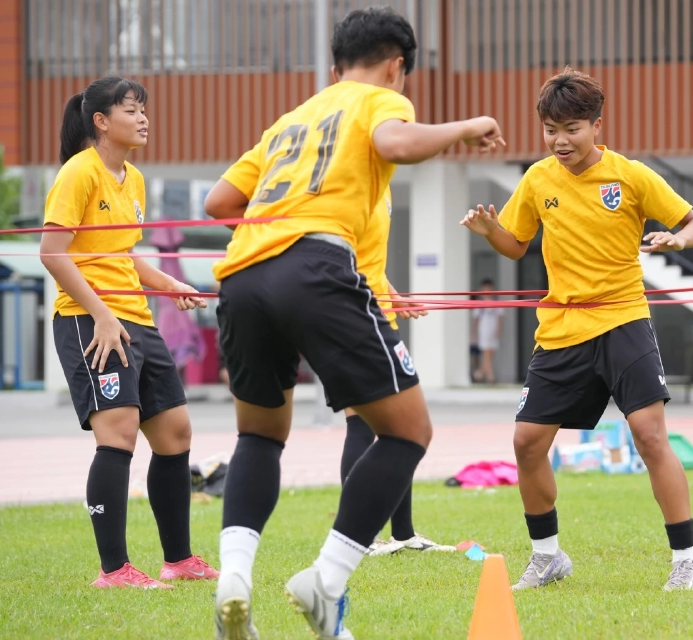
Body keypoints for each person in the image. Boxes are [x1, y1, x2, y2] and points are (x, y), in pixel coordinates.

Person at [203, 7, 504, 639]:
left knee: (258, 438)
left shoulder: (292, 119)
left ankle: (234, 575)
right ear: (397, 65)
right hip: (317, 268)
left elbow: (219, 202)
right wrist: (470, 124)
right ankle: (326, 580)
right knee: (407, 432)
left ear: (335, 63)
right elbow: (396, 144)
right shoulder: (375, 101)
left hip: (242, 274)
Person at [461, 67, 693, 591]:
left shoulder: (631, 176)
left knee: (649, 435)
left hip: (623, 320)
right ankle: (548, 556)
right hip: (562, 328)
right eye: (551, 128)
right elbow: (515, 243)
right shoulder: (536, 180)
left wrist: (677, 241)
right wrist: (490, 231)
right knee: (527, 442)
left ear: (598, 125)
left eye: (572, 127)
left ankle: (685, 560)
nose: (560, 140)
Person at [40, 76, 218, 589]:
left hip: (135, 319)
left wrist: (170, 282)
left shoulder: (133, 179)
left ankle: (178, 560)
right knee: (118, 433)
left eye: (143, 110)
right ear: (101, 121)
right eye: (131, 110)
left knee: (175, 432)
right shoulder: (79, 173)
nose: (143, 119)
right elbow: (53, 254)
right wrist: (100, 314)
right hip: (88, 320)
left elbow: (123, 254)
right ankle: (113, 570)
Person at [343, 188, 456, 557]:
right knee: (361, 423)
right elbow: (339, 256)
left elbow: (368, 260)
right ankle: (361, 538)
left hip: (379, 315)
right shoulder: (350, 179)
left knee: (401, 427)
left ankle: (403, 534)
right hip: (354, 317)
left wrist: (393, 294)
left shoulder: (383, 182)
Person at [471, 278, 504, 384]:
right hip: (483, 330)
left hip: (493, 330)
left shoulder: (496, 303)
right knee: (486, 353)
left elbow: (500, 318)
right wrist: (474, 333)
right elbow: (476, 319)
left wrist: (498, 330)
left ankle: (479, 374)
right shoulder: (479, 304)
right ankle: (490, 377)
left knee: (491, 354)